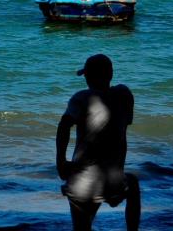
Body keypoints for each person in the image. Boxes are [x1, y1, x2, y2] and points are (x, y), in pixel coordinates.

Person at [56, 54, 141, 230]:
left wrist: (61, 162)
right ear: (110, 74)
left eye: (86, 75)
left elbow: (63, 126)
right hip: (114, 180)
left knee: (81, 227)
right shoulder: (125, 95)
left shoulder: (81, 98)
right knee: (132, 183)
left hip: (84, 181)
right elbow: (121, 125)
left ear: (88, 77)